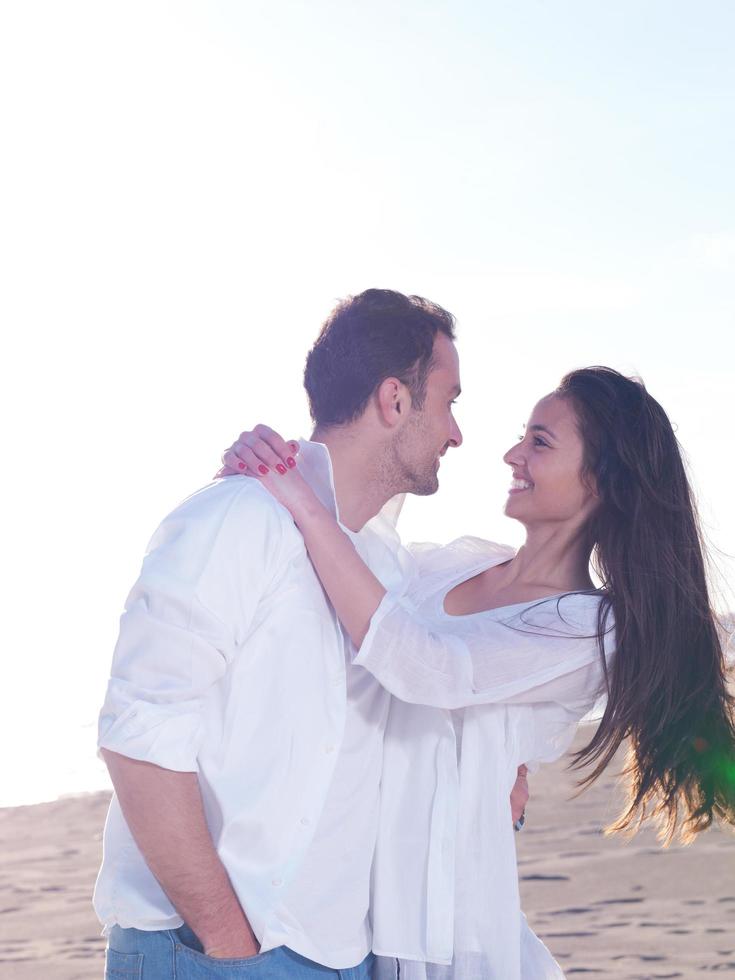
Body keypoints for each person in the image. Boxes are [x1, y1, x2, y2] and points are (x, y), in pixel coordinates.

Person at [220, 366, 735, 978]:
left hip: (450, 937)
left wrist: (301, 499)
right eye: (524, 435)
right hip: (346, 920)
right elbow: (341, 590)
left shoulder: (589, 629)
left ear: (602, 481)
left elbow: (425, 668)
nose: (512, 453)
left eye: (540, 442)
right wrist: (270, 476)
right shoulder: (452, 564)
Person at [94, 288, 529, 980]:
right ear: (393, 401)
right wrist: (228, 942)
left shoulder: (388, 573)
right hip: (210, 951)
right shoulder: (236, 519)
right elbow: (139, 736)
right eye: (448, 401)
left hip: (345, 959)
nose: (456, 433)